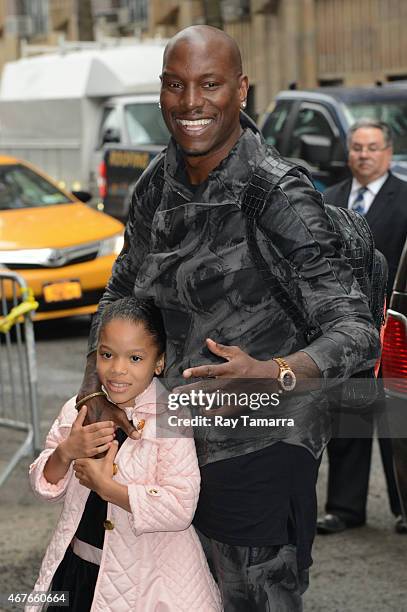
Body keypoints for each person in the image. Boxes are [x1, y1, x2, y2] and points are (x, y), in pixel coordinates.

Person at [77, 26, 379, 610]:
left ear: (241, 89)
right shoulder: (154, 184)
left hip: (260, 445)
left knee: (253, 600)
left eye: (209, 85)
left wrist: (275, 370)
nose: (191, 103)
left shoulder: (276, 191)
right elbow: (122, 288)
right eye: (175, 85)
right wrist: (99, 388)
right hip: (170, 446)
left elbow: (358, 331)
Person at [27, 297, 221, 612]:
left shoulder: (169, 417)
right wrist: (65, 453)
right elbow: (43, 486)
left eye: (135, 358)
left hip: (147, 582)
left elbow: (180, 505)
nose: (118, 369)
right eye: (107, 355)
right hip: (78, 569)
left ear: (158, 362)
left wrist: (109, 489)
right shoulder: (81, 409)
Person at [318, 119, 407, 535]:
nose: (364, 155)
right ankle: (344, 507)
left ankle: (403, 507)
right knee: (349, 418)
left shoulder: (405, 198)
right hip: (345, 329)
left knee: (396, 422)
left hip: (394, 329)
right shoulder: (328, 200)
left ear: (388, 152)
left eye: (372, 147)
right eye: (357, 147)